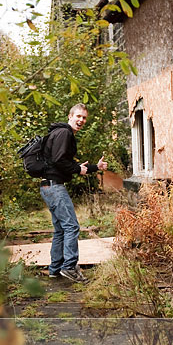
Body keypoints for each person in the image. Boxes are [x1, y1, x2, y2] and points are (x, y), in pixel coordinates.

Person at [40, 103, 108, 283]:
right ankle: (69, 267)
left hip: (48, 186)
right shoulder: (65, 133)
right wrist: (77, 169)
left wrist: (95, 167)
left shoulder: (60, 132)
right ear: (70, 116)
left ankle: (55, 269)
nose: (81, 120)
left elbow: (65, 163)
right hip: (54, 187)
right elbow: (59, 160)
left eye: (84, 118)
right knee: (71, 226)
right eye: (78, 116)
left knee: (61, 229)